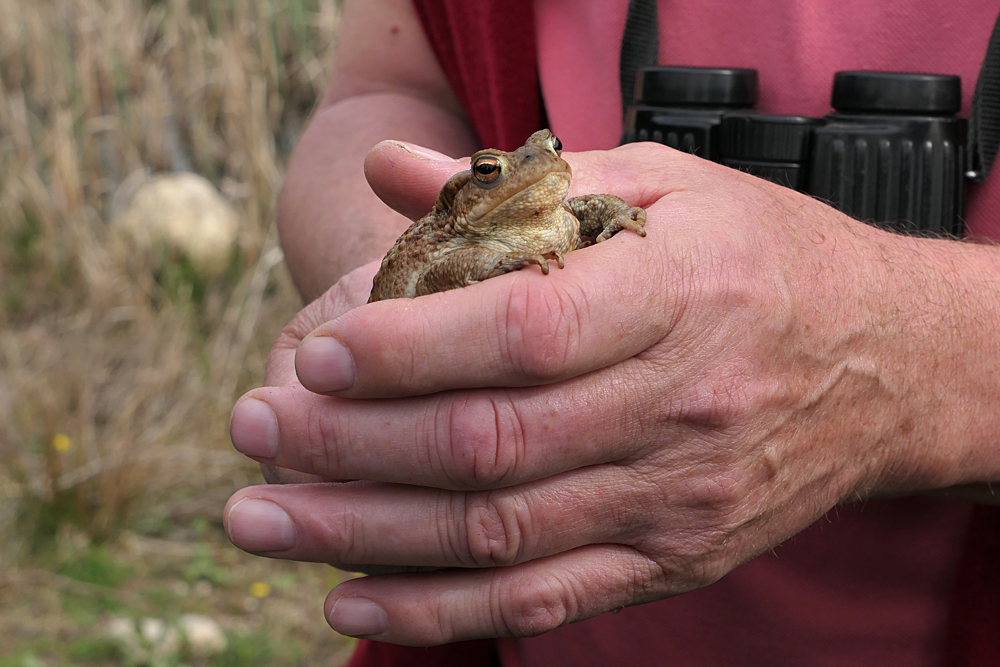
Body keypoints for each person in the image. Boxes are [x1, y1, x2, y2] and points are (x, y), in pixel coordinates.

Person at [223, 0, 1000, 664]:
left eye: (548, 157)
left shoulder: (553, 204)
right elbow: (380, 89)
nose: (542, 169)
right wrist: (424, 352)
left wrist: (922, 353)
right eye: (499, 169)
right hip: (513, 621)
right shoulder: (471, 226)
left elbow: (590, 207)